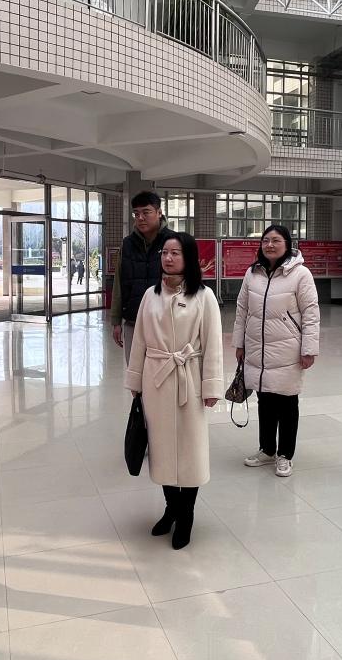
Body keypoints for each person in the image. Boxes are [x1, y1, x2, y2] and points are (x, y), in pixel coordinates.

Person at [125, 233, 223, 550]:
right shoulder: (150, 296)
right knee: (162, 450)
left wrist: (211, 385)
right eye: (164, 253)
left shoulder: (204, 297)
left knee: (190, 451)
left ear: (188, 257)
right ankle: (171, 508)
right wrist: (135, 381)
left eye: (175, 253)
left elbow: (213, 345)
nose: (167, 258)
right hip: (156, 382)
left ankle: (187, 514)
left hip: (188, 379)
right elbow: (139, 341)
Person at [234, 225, 319, 478]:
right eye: (265, 240)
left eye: (276, 240)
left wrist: (309, 349)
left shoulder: (301, 274)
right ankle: (268, 449)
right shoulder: (253, 273)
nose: (269, 245)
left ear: (287, 244)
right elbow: (241, 309)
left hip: (287, 349)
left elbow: (311, 313)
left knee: (287, 402)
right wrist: (239, 343)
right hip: (257, 348)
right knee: (265, 401)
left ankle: (285, 455)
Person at [111, 191, 174, 364]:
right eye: (136, 213)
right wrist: (116, 320)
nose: (140, 218)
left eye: (146, 212)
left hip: (165, 322)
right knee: (134, 372)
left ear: (159, 213)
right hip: (133, 320)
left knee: (162, 371)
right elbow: (118, 283)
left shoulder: (173, 242)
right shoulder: (127, 244)